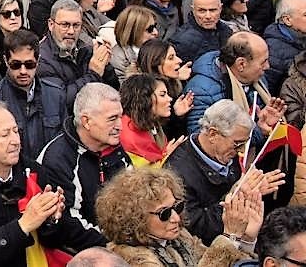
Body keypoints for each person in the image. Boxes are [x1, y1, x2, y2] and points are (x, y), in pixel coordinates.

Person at [0, 101, 99, 266]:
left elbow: (55, 240)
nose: (15, 141)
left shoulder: (34, 172)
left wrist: (52, 219)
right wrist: (23, 225)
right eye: (5, 135)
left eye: (16, 131)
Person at [165, 99, 283, 243]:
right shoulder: (177, 174)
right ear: (213, 134)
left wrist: (251, 191)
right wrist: (237, 197)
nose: (240, 150)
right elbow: (196, 228)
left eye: (244, 143)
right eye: (237, 144)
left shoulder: (223, 152)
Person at [95, 166, 260, 265]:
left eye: (177, 207)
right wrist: (229, 237)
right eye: (164, 213)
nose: (176, 218)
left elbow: (218, 260)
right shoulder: (131, 258)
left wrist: (246, 239)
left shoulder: (179, 236)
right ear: (136, 219)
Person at [37, 83, 131, 247]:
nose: (120, 126)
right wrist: (118, 244)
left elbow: (134, 196)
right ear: (86, 121)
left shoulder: (114, 148)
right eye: (112, 119)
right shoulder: (57, 159)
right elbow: (69, 226)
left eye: (120, 117)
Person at [0, 30, 68, 162]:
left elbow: (63, 144)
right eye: (16, 65)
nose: (23, 71)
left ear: (38, 60)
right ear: (6, 61)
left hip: (49, 175)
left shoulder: (56, 94)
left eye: (29, 64)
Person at [184, 32, 284, 136]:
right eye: (263, 62)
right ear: (241, 64)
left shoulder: (257, 78)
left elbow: (261, 118)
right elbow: (204, 139)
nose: (267, 66)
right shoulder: (202, 90)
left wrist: (266, 121)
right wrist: (258, 131)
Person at [38, 0, 117, 108]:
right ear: (51, 24)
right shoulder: (41, 59)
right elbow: (61, 100)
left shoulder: (86, 49)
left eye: (76, 25)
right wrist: (94, 74)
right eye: (65, 25)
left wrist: (106, 66)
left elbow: (113, 89)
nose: (71, 31)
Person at [118, 73, 189, 167]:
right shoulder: (128, 136)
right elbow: (143, 176)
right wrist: (167, 158)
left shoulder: (152, 122)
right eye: (163, 95)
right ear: (144, 99)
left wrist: (178, 117)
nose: (170, 99)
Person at [170, 0, 233, 69]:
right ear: (193, 10)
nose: (208, 16)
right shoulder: (182, 41)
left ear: (220, 8)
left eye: (213, 10)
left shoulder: (226, 31)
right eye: (202, 11)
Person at [263, 0, 306, 94]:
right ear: (287, 20)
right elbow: (269, 90)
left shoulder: (301, 36)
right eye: (305, 15)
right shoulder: (273, 50)